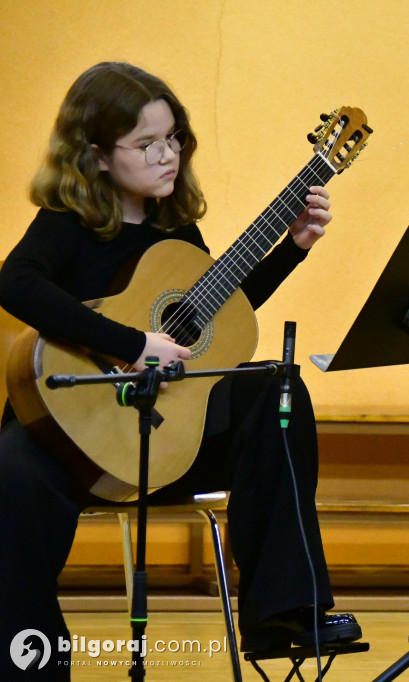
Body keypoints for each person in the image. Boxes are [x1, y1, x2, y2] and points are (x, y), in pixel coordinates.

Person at [0, 62, 360, 679]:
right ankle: (26, 660)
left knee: (276, 389)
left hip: (169, 441)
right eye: (146, 144)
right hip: (70, 436)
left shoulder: (174, 227)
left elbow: (215, 324)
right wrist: (129, 344)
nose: (167, 155)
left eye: (174, 139)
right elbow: (16, 284)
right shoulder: (69, 224)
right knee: (8, 480)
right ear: (93, 156)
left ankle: (285, 612)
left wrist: (291, 249)